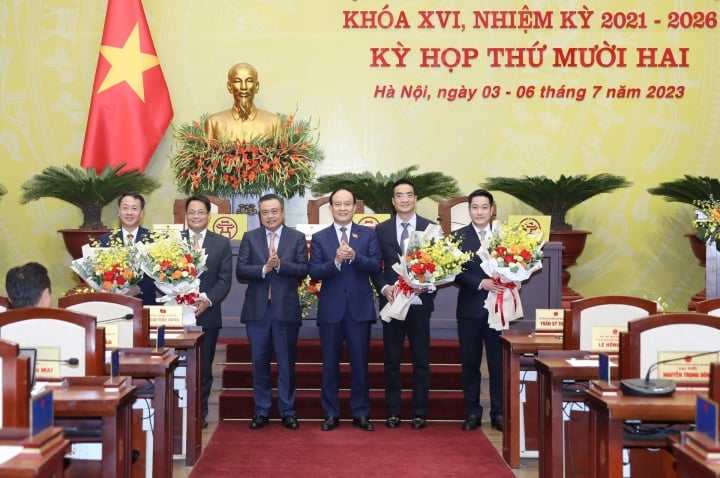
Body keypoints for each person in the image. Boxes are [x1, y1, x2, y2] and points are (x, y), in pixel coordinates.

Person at [309, 188, 382, 431]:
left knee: (360, 364)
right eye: (337, 204)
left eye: (347, 204)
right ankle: (331, 413)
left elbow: (376, 266)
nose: (342, 208)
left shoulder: (368, 235)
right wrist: (336, 262)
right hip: (331, 310)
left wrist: (354, 256)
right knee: (330, 364)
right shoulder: (320, 237)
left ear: (354, 208)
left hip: (359, 310)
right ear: (330, 208)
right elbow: (314, 271)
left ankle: (360, 413)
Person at [236, 193, 308, 430]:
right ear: (260, 214)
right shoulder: (250, 237)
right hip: (257, 312)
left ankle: (288, 411)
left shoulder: (296, 237)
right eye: (265, 212)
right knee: (260, 363)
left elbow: (302, 269)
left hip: (285, 311)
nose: (270, 216)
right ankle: (262, 410)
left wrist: (281, 265)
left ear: (282, 212)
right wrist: (264, 269)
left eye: (274, 211)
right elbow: (242, 270)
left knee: (287, 363)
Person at [371, 179, 435, 429]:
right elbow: (377, 266)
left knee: (421, 361)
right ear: (393, 201)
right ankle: (393, 411)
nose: (405, 199)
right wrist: (384, 287)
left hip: (420, 303)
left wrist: (428, 284)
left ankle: (419, 412)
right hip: (393, 302)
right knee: (392, 361)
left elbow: (439, 265)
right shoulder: (382, 230)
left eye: (409, 195)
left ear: (415, 198)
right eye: (399, 195)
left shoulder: (430, 228)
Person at [453, 189, 504, 431]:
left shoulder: (504, 236)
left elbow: (517, 264)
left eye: (484, 207)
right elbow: (454, 272)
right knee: (470, 363)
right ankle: (472, 412)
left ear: (492, 209)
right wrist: (480, 282)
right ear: (469, 210)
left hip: (499, 308)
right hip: (470, 308)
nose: (480, 211)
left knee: (498, 363)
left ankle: (499, 413)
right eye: (475, 207)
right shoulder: (458, 237)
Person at [182, 195, 233, 429]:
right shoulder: (174, 242)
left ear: (208, 215)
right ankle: (179, 413)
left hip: (208, 315)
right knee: (178, 366)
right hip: (178, 314)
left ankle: (198, 415)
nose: (196, 216)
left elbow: (224, 280)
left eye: (200, 212)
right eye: (191, 212)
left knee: (203, 368)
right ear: (186, 215)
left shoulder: (221, 243)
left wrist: (207, 300)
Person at [99, 192, 157, 305]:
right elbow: (99, 273)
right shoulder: (105, 240)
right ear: (118, 212)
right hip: (114, 303)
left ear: (141, 213)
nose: (129, 212)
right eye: (125, 208)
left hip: (145, 303)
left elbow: (159, 274)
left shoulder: (153, 239)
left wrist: (139, 288)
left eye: (134, 208)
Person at [203, 62, 281, 143]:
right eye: (237, 81)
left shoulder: (275, 123)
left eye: (249, 81)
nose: (243, 87)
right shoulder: (213, 123)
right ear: (229, 86)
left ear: (256, 86)